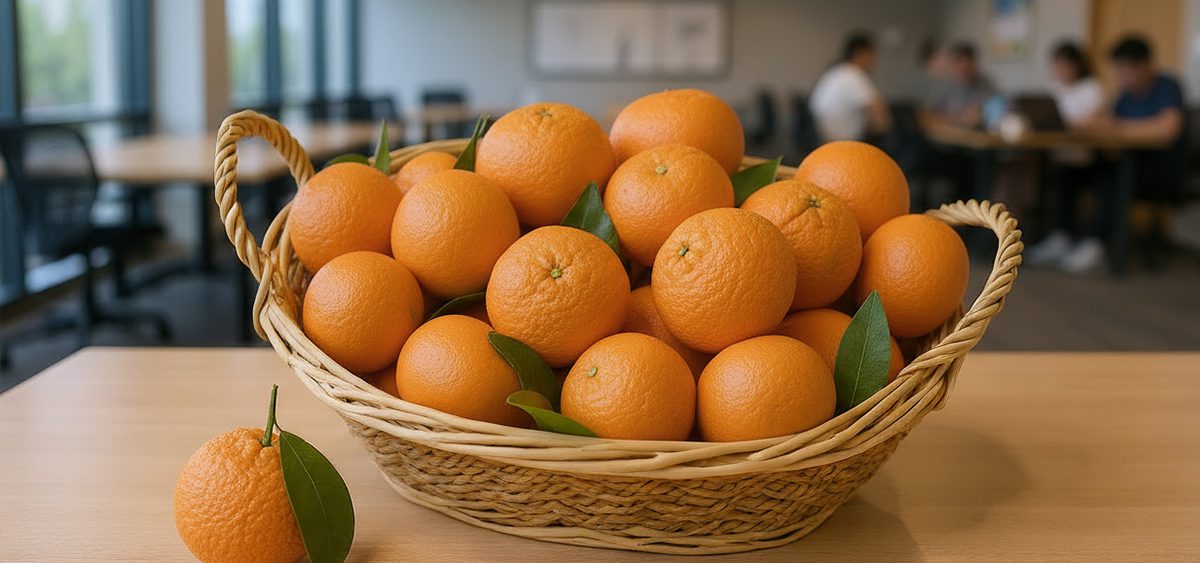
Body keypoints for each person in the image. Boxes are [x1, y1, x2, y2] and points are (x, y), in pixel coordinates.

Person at [1040, 36, 1186, 272]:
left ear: (1144, 66)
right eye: (1117, 68)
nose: (1119, 75)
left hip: (1160, 170)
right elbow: (1110, 123)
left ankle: (1095, 243)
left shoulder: (1167, 86)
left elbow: (1167, 128)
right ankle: (1061, 235)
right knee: (1072, 168)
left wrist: (1118, 126)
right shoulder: (1126, 95)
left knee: (1110, 176)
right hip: (1127, 162)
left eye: (1123, 68)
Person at [1028, 41, 1106, 270]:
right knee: (1050, 174)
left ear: (1077, 65)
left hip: (1087, 156)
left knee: (1069, 175)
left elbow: (1092, 122)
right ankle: (1057, 237)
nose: (1060, 70)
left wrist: (1067, 125)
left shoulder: (1092, 88)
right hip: (1058, 155)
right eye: (1056, 64)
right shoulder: (1055, 88)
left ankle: (1085, 241)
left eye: (1064, 64)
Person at [809, 32, 891, 142]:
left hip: (822, 140)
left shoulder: (834, 71)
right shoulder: (853, 74)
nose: (874, 61)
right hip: (841, 143)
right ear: (860, 52)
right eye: (872, 55)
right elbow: (880, 114)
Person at [921, 42, 995, 128]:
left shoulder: (986, 85)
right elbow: (928, 115)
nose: (963, 67)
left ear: (975, 63)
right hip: (946, 135)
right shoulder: (945, 85)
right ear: (953, 64)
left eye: (968, 64)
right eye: (958, 62)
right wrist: (957, 118)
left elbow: (979, 117)